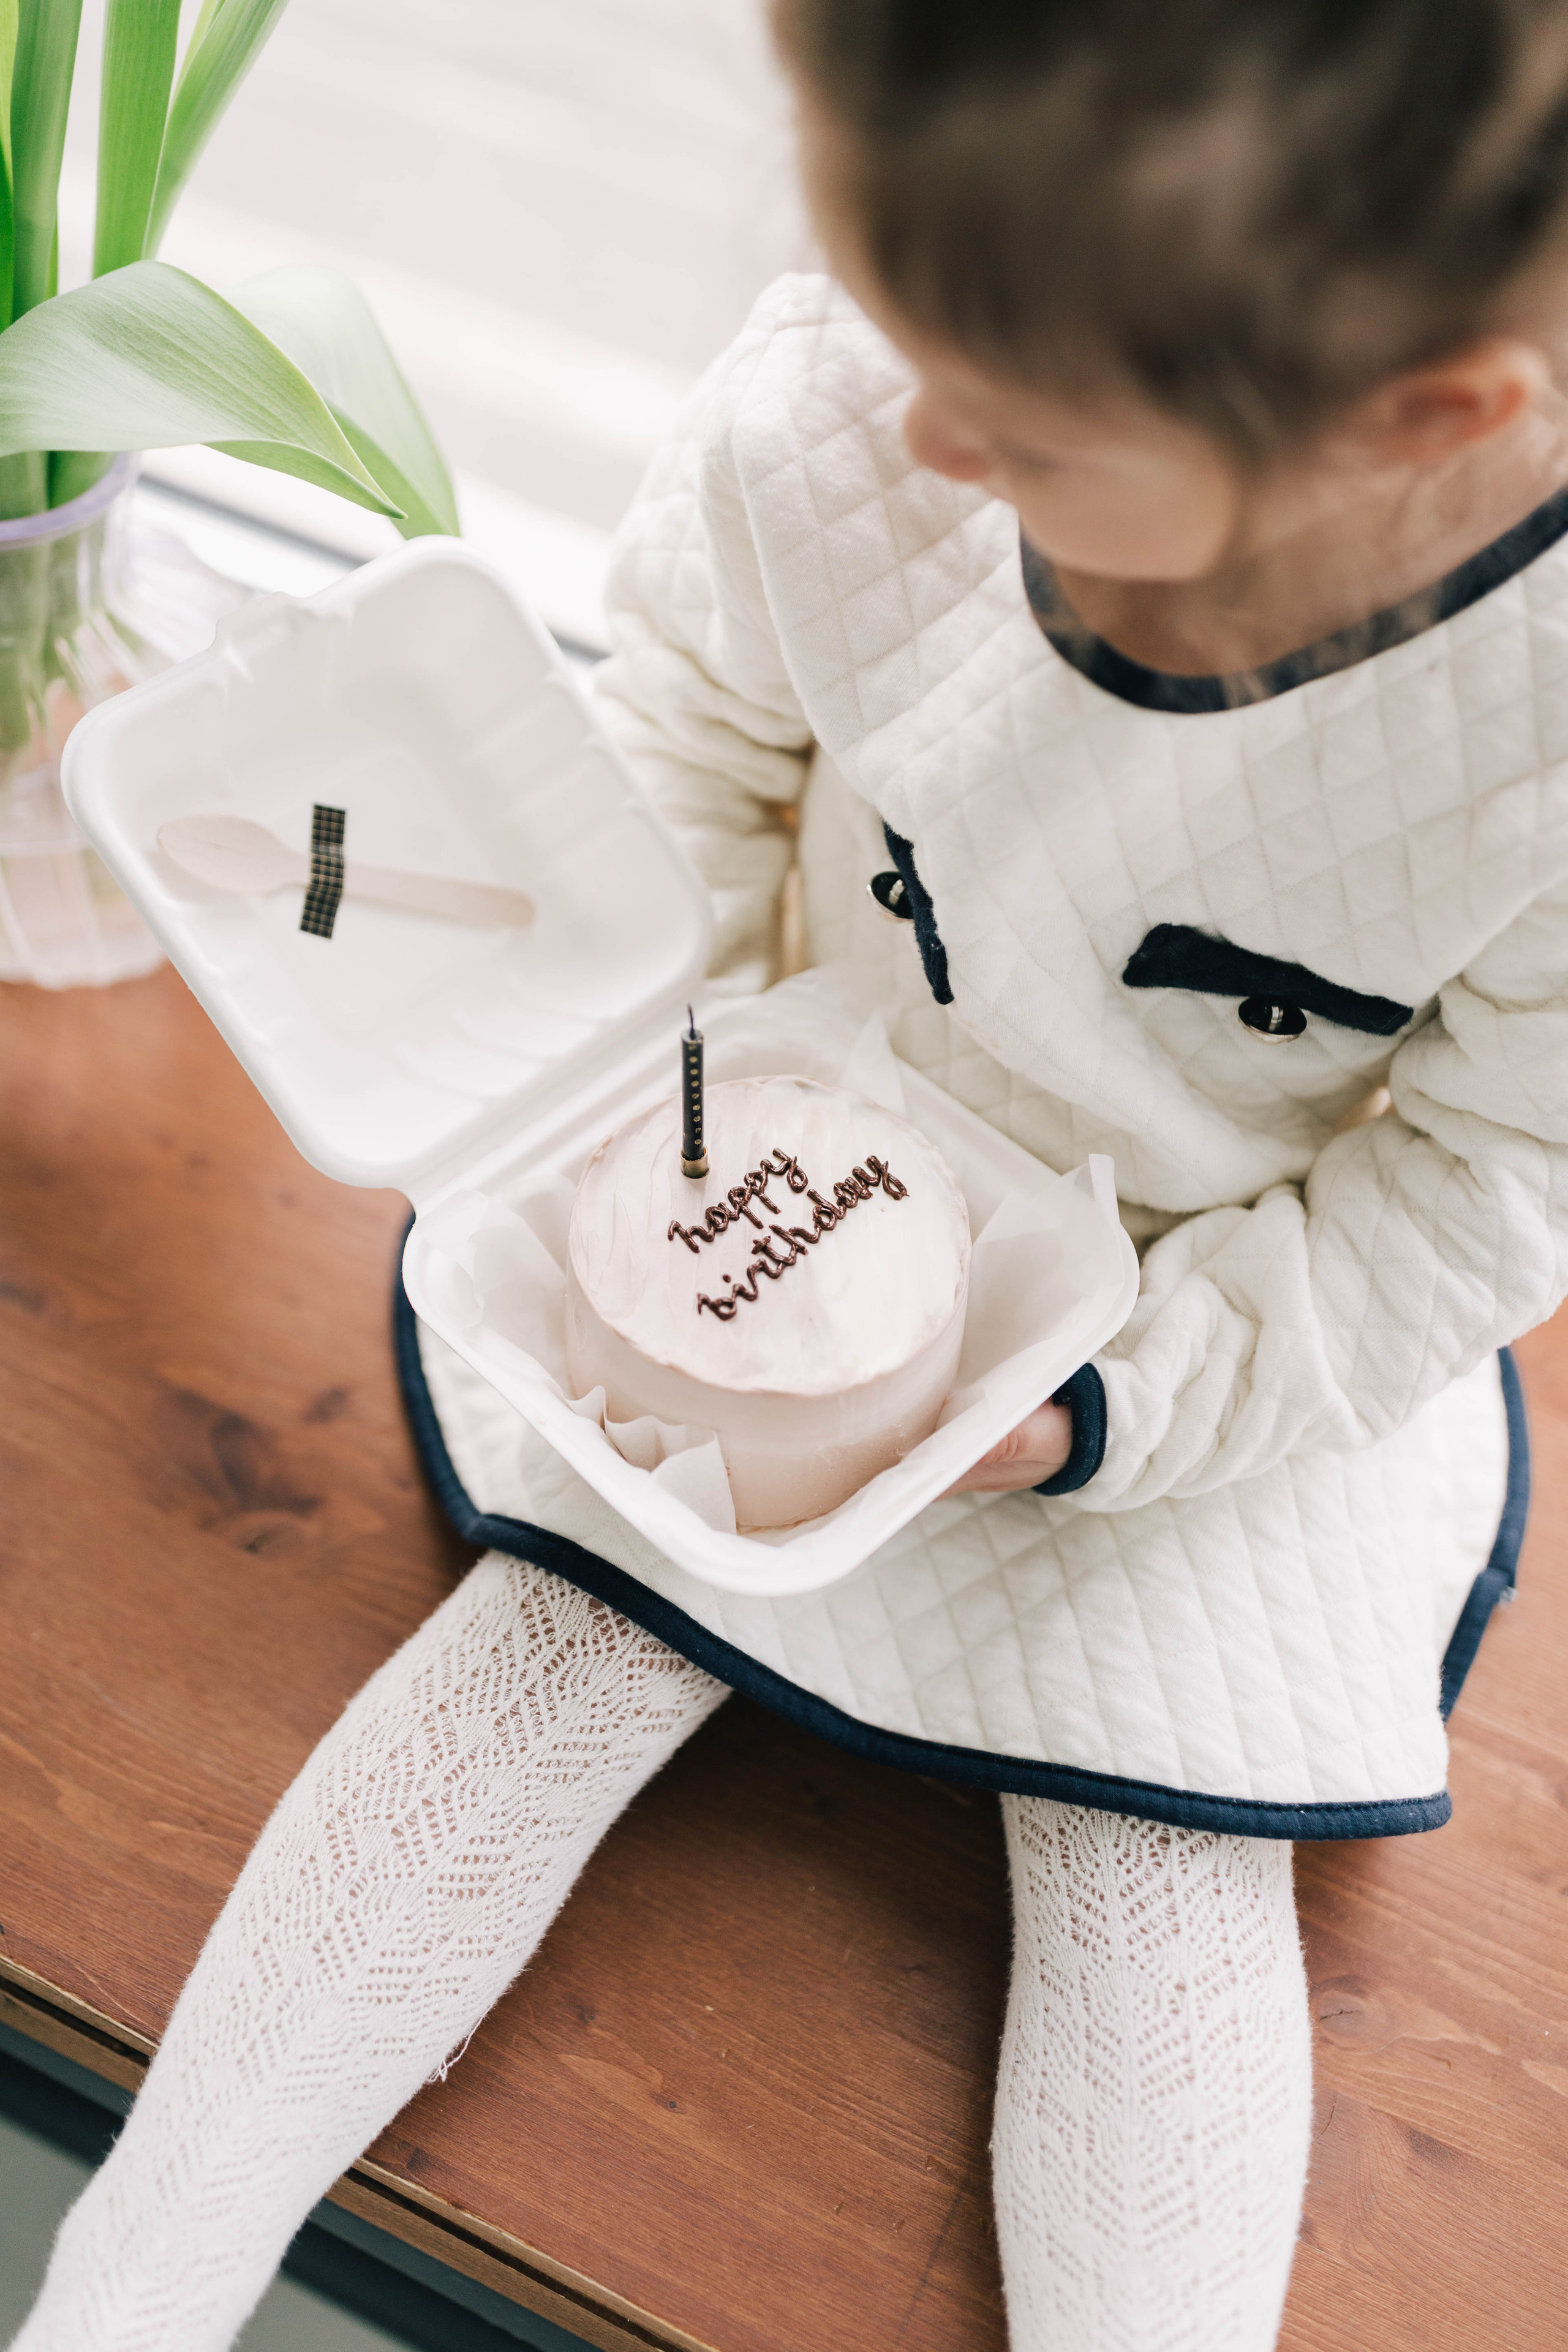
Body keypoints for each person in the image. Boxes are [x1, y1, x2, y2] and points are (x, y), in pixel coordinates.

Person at [15, 2, 1567, 2346]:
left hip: (1229, 1302)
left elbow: (1478, 1188)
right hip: (800, 1132)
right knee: (536, 1662)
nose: (925, 432)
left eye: (1022, 420)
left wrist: (1117, 1406)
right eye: (892, 318)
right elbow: (688, 741)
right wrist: (611, 1051)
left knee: (1157, 1868)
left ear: (1422, 416)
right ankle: (123, 2297)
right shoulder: (869, 392)